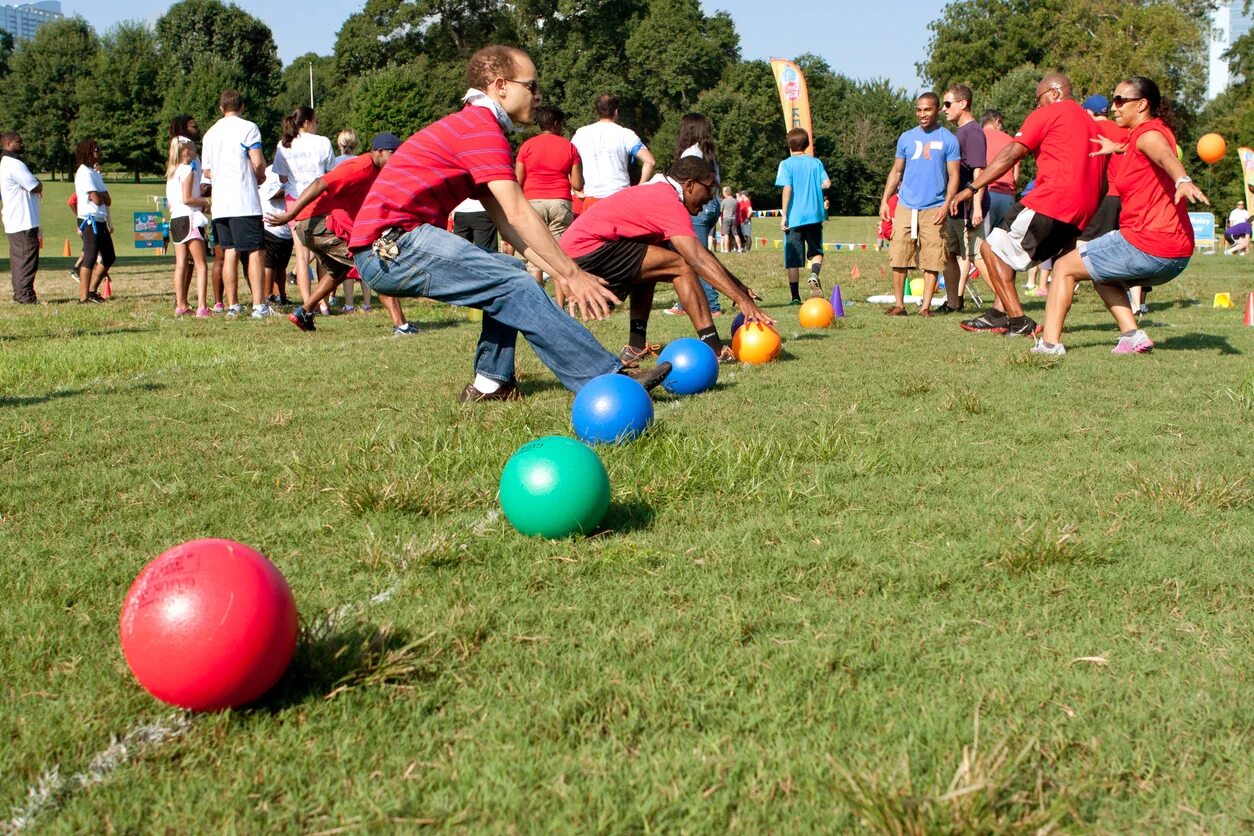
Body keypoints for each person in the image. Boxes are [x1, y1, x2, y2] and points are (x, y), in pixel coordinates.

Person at [349, 45, 670, 402]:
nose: (537, 96)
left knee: (508, 270)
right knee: (513, 282)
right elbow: (518, 212)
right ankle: (605, 379)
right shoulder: (480, 130)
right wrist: (573, 276)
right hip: (391, 246)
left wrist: (565, 272)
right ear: (501, 85)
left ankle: (492, 383)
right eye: (531, 86)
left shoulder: (475, 128)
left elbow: (508, 225)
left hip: (391, 246)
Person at [1034, 77, 1207, 356]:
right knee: (1101, 273)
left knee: (1064, 267)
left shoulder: (1150, 135)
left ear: (1141, 105)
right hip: (1177, 253)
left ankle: (1049, 345)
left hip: (1148, 243)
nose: (1113, 107)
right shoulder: (1145, 133)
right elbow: (1142, 150)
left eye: (1119, 101)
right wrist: (1116, 148)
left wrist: (1182, 179)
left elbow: (1163, 155)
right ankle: (1132, 335)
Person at [560, 157, 773, 367]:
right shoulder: (666, 200)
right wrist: (742, 300)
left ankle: (635, 346)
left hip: (577, 251)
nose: (710, 198)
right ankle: (715, 349)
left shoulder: (662, 193)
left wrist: (739, 287)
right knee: (681, 267)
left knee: (654, 265)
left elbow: (701, 253)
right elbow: (696, 260)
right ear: (690, 185)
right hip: (586, 250)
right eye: (709, 188)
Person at [950, 73, 1103, 337]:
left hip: (1051, 201)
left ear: (1054, 93)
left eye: (1038, 99)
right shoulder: (1092, 123)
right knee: (1010, 251)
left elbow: (1012, 153)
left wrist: (973, 187)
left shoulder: (1050, 113)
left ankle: (1017, 320)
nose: (1036, 105)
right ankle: (998, 314)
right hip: (1082, 212)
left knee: (990, 248)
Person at [266, 132, 414, 335]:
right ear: (379, 152)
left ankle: (304, 311)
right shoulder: (359, 167)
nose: (397, 158)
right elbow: (319, 183)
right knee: (373, 263)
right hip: (316, 223)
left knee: (338, 272)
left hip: (318, 224)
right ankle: (401, 325)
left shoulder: (376, 171)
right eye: (393, 153)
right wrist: (289, 214)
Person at [879, 94, 959, 316]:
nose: (922, 114)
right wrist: (885, 200)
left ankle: (925, 307)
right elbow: (896, 171)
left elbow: (954, 176)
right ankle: (899, 305)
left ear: (936, 111)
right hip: (906, 205)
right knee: (899, 253)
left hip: (935, 206)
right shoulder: (906, 138)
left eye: (927, 110)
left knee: (932, 257)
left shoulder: (949, 140)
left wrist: (946, 205)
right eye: (919, 110)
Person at [201, 89, 270, 318]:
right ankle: (259, 305)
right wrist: (259, 175)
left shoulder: (210, 134)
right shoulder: (248, 127)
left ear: (221, 108)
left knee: (229, 251)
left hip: (221, 203)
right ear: (241, 107)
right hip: (244, 200)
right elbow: (258, 162)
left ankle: (233, 304)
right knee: (255, 251)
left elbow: (207, 171)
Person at [662, 113, 725, 318]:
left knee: (696, 256)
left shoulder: (690, 153)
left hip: (699, 206)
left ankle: (712, 306)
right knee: (692, 255)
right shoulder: (708, 153)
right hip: (713, 204)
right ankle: (685, 303)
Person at [515, 104, 582, 293]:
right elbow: (577, 184)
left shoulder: (526, 146)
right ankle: (562, 305)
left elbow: (518, 180)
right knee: (559, 254)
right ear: (555, 123)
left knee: (535, 253)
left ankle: (538, 300)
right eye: (561, 123)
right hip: (560, 201)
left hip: (533, 202)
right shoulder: (569, 147)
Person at [274, 107, 335, 310]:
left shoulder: (284, 145)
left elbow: (282, 177)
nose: (317, 125)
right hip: (318, 199)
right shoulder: (322, 142)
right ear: (308, 122)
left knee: (301, 255)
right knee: (322, 252)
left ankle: (307, 301)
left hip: (294, 200)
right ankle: (323, 303)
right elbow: (330, 173)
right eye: (316, 121)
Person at [938, 84, 986, 314]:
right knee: (949, 254)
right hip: (954, 207)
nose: (944, 109)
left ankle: (1005, 304)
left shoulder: (973, 132)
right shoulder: (959, 132)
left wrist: (976, 207)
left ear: (963, 103)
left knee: (977, 257)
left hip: (968, 208)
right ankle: (953, 302)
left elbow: (979, 173)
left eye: (947, 104)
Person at [571, 93, 655, 212]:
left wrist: (575, 188)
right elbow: (650, 162)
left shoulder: (581, 134)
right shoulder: (626, 134)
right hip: (621, 198)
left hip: (592, 200)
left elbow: (567, 160)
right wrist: (639, 189)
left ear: (598, 111)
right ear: (616, 111)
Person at [777, 128, 832, 304]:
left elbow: (787, 188)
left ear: (789, 145)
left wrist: (784, 214)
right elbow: (827, 183)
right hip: (814, 216)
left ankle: (795, 297)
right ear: (807, 144)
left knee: (793, 259)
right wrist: (816, 188)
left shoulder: (786, 164)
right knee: (816, 252)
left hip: (794, 217)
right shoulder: (816, 163)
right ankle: (814, 273)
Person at [165, 136, 210, 316]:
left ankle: (181, 305)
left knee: (181, 264)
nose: (195, 153)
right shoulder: (188, 170)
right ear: (186, 152)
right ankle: (202, 306)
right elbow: (187, 198)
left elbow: (171, 203)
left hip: (176, 220)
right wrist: (206, 202)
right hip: (190, 217)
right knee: (201, 264)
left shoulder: (172, 173)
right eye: (193, 149)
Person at [1, 132, 43, 304]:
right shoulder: (14, 164)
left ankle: (21, 293)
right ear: (9, 143)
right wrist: (39, 183)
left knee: (19, 259)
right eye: (19, 142)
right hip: (23, 219)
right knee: (27, 257)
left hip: (14, 219)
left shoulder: (4, 163)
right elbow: (34, 186)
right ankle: (25, 296)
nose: (22, 144)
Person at [73, 138, 114, 304]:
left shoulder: (95, 173)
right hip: (89, 221)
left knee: (109, 256)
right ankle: (83, 298)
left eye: (99, 148)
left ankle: (92, 291)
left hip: (100, 219)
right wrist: (101, 196)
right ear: (88, 152)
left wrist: (101, 196)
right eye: (96, 149)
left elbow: (108, 200)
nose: (99, 151)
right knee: (89, 258)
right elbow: (97, 199)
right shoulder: (84, 172)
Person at [259, 166, 293, 307]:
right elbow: (272, 195)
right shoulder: (271, 171)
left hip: (286, 227)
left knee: (282, 266)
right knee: (270, 265)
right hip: (271, 224)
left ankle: (281, 296)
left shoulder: (290, 169)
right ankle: (268, 297)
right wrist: (295, 189)